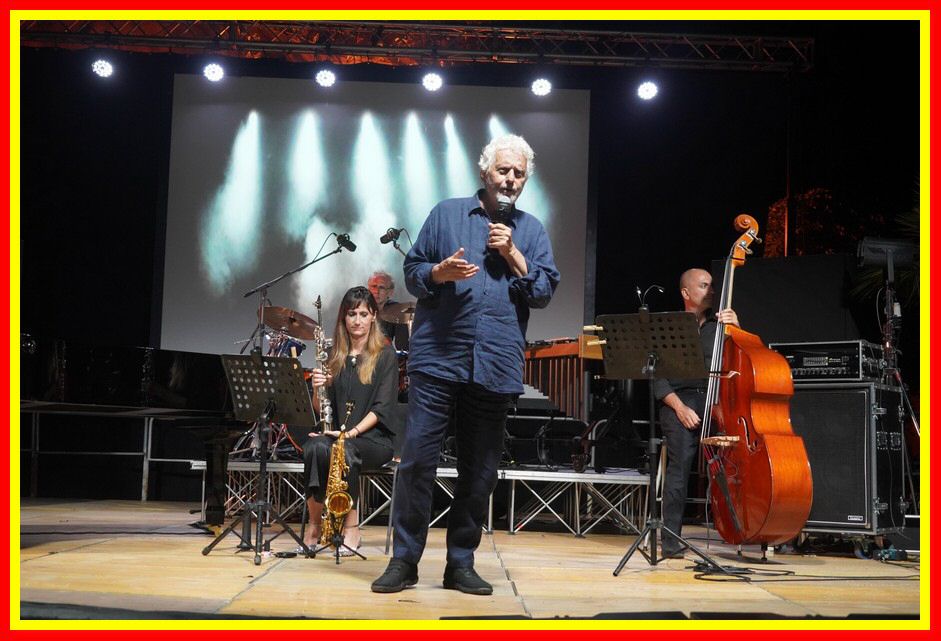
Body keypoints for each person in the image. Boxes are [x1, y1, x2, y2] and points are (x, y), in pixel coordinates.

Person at [371, 133, 560, 595]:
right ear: (484, 172)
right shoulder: (446, 213)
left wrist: (512, 253)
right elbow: (413, 272)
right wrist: (438, 273)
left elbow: (542, 292)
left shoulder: (532, 230)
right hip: (438, 358)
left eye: (518, 173)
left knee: (480, 471)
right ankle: (404, 562)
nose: (510, 179)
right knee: (418, 463)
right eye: (503, 170)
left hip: (495, 363)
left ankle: (460, 563)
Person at [302, 286, 398, 553]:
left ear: (373, 316)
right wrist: (317, 389)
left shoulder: (385, 355)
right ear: (343, 318)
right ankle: (315, 526)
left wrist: (350, 433)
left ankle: (351, 529)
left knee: (343, 450)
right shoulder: (335, 356)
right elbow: (322, 409)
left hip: (374, 439)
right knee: (314, 447)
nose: (357, 320)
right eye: (352, 314)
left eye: (363, 314)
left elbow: (382, 409)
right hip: (338, 436)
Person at [652, 268, 738, 558]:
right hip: (679, 403)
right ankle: (671, 541)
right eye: (704, 286)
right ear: (686, 293)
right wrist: (680, 408)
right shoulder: (669, 328)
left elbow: (743, 358)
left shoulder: (721, 326)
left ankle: (740, 530)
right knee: (680, 468)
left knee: (734, 465)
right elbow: (658, 378)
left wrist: (737, 329)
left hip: (716, 402)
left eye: (712, 285)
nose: (711, 290)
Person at [367, 270, 409, 350]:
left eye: (381, 287)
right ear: (368, 288)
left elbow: (402, 347)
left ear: (390, 292)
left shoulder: (397, 310)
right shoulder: (359, 307)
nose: (376, 291)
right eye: (373, 286)